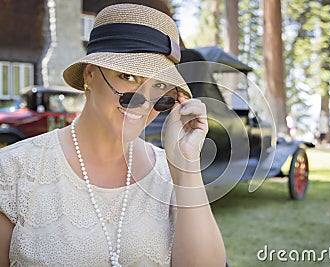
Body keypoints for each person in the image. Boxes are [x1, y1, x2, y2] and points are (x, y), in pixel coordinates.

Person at [0, 4, 226, 267]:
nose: (143, 102)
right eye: (128, 76)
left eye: (160, 85)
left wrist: (186, 167)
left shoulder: (170, 172)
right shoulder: (14, 171)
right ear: (90, 76)